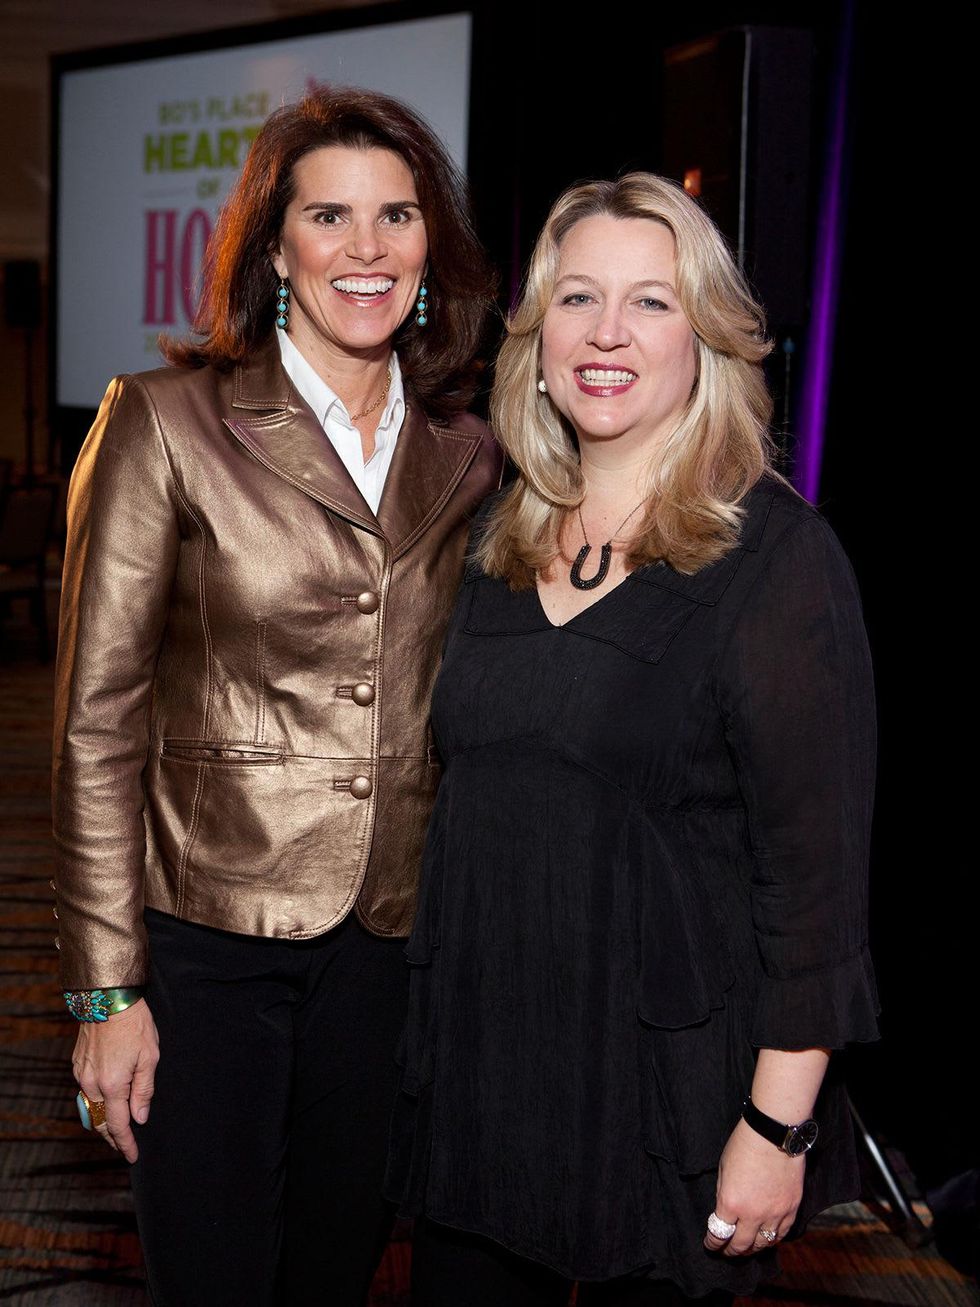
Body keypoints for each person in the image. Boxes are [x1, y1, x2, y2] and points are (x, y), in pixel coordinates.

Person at [385, 173, 879, 1306]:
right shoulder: (486, 540)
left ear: (705, 339)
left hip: (664, 1104)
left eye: (651, 303)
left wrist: (774, 1124)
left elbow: (814, 886)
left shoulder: (778, 561)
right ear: (536, 336)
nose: (607, 333)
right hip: (483, 1079)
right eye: (577, 299)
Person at [51, 85, 501, 1306]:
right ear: (276, 247)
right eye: (330, 216)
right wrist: (106, 988)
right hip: (203, 946)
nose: (367, 249)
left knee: (333, 1271)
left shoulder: (474, 450)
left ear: (430, 246)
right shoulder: (165, 422)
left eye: (397, 216)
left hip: (391, 948)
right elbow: (98, 723)